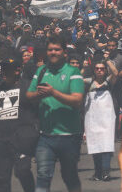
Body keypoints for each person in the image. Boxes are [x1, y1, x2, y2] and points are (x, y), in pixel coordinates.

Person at [26, 35, 85, 192]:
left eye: (57, 49)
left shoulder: (73, 71)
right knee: (43, 175)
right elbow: (29, 95)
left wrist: (53, 93)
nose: (53, 52)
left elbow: (77, 100)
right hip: (45, 136)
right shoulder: (41, 70)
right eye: (50, 49)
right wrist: (40, 94)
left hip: (70, 136)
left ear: (64, 52)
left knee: (69, 176)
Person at [0, 57, 37, 192]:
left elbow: (38, 108)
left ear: (17, 71)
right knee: (1, 178)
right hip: (2, 138)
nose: (3, 73)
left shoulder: (27, 86)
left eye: (7, 69)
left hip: (22, 138)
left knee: (22, 171)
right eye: (2, 69)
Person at [83, 59, 119, 181]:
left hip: (107, 118)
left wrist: (107, 61)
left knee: (106, 144)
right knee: (94, 144)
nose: (99, 70)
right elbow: (76, 78)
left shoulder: (108, 82)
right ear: (94, 70)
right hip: (92, 117)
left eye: (102, 69)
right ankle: (97, 172)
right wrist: (83, 67)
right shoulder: (89, 82)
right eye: (97, 68)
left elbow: (115, 73)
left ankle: (106, 172)